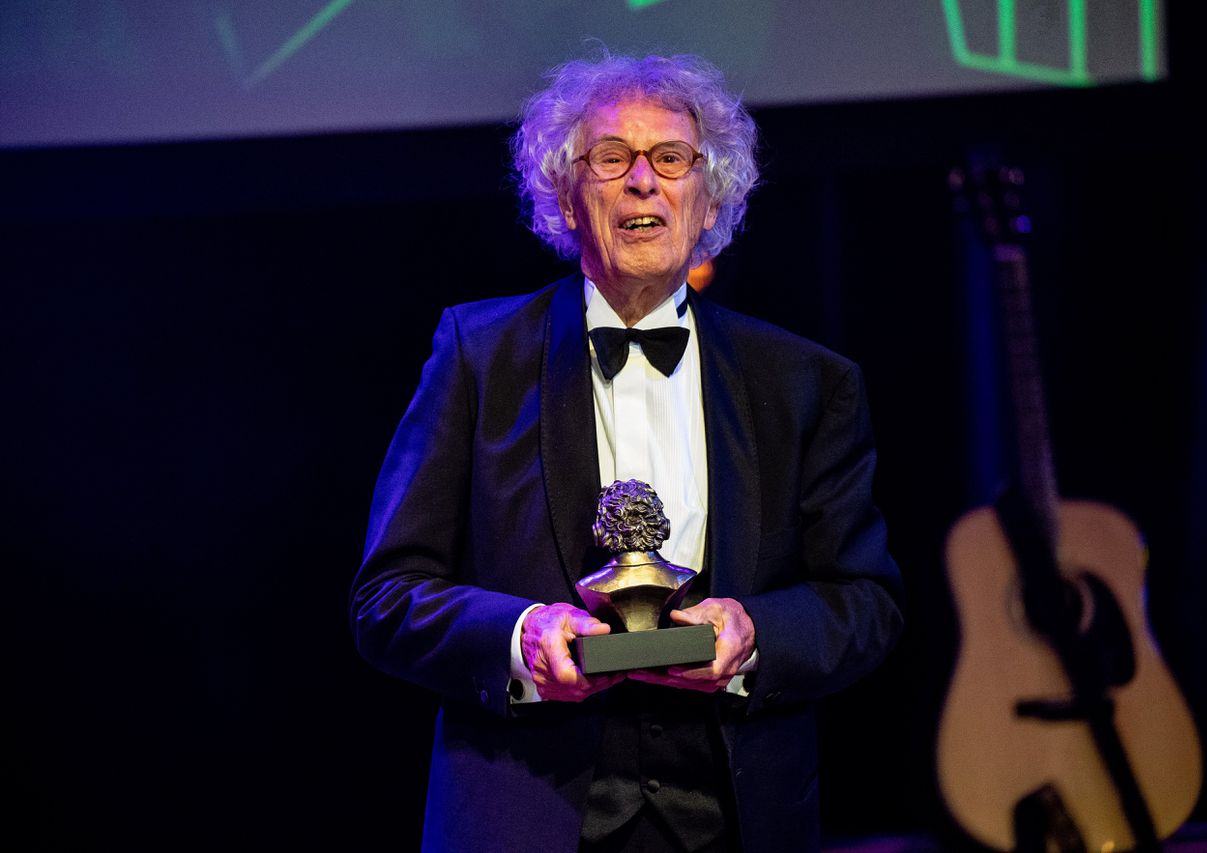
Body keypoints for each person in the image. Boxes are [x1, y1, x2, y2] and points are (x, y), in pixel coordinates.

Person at [350, 52, 904, 853]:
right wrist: (521, 634)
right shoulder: (477, 354)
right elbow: (387, 595)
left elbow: (866, 600)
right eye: (611, 158)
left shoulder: (806, 381)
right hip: (524, 813)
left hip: (739, 819)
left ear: (709, 195)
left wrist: (757, 630)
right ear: (566, 198)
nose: (643, 180)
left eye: (670, 158)